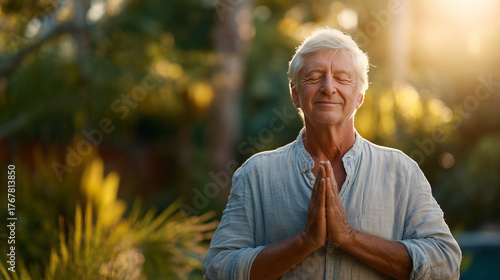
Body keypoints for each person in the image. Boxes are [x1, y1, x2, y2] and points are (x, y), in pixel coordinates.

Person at [203, 28, 461, 279]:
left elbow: (446, 264)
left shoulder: (401, 171)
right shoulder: (255, 175)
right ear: (295, 93)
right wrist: (304, 242)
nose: (328, 87)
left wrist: (350, 237)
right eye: (314, 76)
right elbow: (217, 269)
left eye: (342, 77)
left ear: (359, 95)